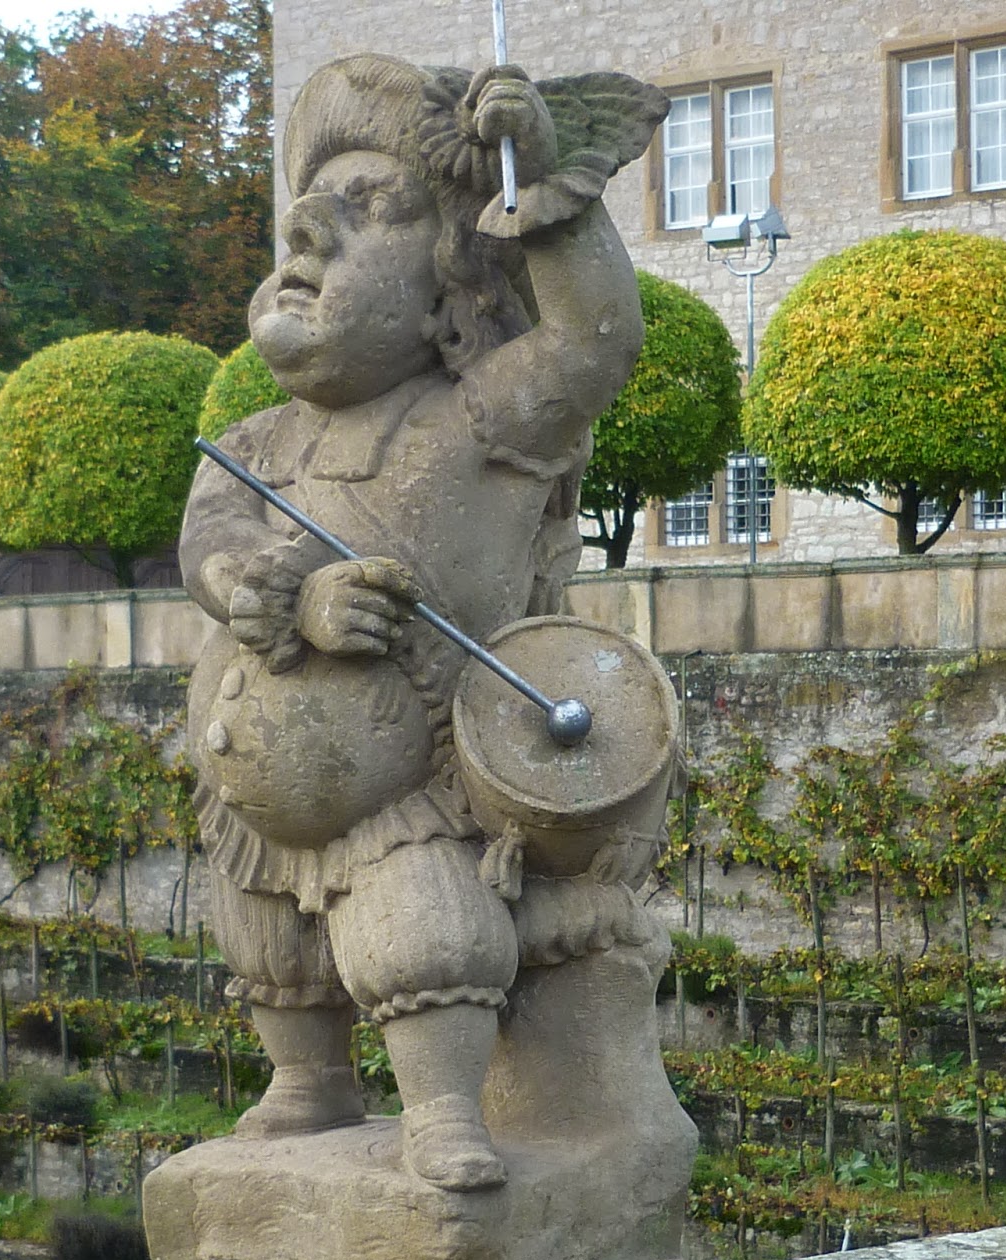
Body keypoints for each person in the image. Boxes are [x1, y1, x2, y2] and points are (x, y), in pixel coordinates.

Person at [180, 53, 665, 1191]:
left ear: (452, 288)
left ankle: (443, 1109)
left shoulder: (482, 416)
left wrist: (545, 190)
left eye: (371, 207)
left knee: (423, 934)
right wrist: (265, 589)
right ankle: (307, 1079)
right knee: (269, 945)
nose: (308, 233)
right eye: (308, 210)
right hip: (253, 803)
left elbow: (595, 343)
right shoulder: (253, 441)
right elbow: (209, 541)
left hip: (411, 789)